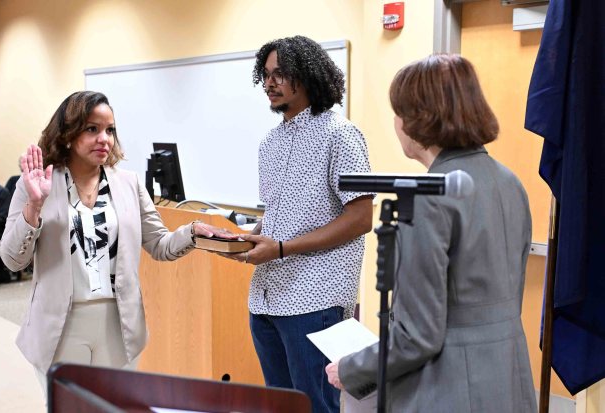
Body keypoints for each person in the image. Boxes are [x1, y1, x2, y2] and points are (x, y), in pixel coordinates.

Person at [326, 54, 537, 412]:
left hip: (449, 388)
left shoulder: (427, 196)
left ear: (418, 119)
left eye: (397, 112)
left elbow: (417, 337)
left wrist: (350, 369)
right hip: (508, 377)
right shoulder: (509, 182)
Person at [0, 91, 236, 394]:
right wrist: (34, 205)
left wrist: (192, 231)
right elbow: (11, 259)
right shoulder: (37, 183)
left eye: (110, 129)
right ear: (68, 134)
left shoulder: (128, 184)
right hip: (60, 327)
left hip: (118, 325)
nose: (104, 139)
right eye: (92, 129)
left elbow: (159, 244)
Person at [222, 36, 374, 413]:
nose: (270, 84)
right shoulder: (269, 143)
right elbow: (280, 217)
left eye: (280, 75)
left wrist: (283, 248)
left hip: (316, 299)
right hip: (266, 300)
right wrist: (247, 238)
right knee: (280, 406)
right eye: (267, 75)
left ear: (307, 77)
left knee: (316, 407)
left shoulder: (341, 135)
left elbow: (360, 218)